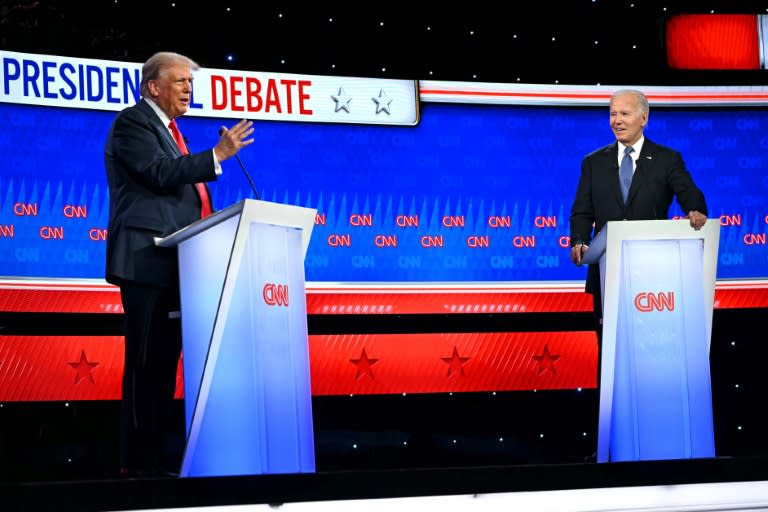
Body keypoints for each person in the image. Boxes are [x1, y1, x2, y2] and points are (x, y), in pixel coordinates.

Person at [104, 51, 254, 477]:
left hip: (176, 263)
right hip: (145, 261)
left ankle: (153, 462)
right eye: (180, 81)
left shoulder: (171, 130)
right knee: (145, 365)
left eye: (191, 82)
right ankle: (135, 468)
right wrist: (216, 156)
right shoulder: (134, 122)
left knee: (164, 368)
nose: (189, 89)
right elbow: (158, 172)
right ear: (154, 86)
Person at [568, 88, 708, 399]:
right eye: (612, 114)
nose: (616, 121)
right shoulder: (593, 162)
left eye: (624, 114)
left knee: (651, 356)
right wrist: (578, 240)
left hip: (654, 278)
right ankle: (610, 442)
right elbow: (582, 210)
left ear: (644, 118)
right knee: (610, 355)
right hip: (607, 275)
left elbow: (689, 192)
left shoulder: (667, 159)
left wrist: (695, 210)